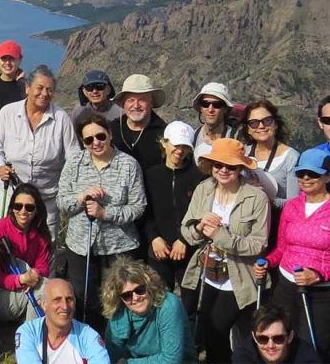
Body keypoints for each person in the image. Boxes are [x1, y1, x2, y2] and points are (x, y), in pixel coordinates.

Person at [180, 138, 270, 363]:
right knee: (209, 331)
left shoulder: (256, 198)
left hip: (239, 277)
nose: (223, 170)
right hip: (208, 274)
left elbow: (259, 244)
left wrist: (222, 236)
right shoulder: (204, 189)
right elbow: (186, 229)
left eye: (230, 166)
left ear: (240, 168)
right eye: (218, 164)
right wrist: (200, 228)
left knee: (217, 329)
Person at [56, 114, 146, 330]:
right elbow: (61, 202)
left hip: (119, 246)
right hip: (80, 245)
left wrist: (105, 213)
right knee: (83, 297)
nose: (95, 142)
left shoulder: (128, 165)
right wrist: (81, 197)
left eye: (100, 136)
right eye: (88, 140)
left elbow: (138, 206)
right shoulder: (74, 163)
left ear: (110, 134)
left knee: (118, 299)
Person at [254, 148, 330, 361]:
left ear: (328, 176)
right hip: (286, 287)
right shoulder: (292, 206)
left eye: (313, 173)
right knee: (282, 344)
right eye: (301, 173)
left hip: (321, 294)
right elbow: (282, 247)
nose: (305, 178)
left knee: (314, 349)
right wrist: (267, 262)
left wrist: (318, 274)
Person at [0, 64, 80, 236]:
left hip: (46, 200)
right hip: (11, 196)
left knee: (45, 247)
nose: (44, 94)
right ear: (28, 87)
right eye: (40, 88)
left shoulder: (61, 119)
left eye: (50, 90)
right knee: (8, 245)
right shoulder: (8, 113)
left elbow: (74, 158)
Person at [143, 121, 206, 289]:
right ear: (164, 143)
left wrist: (184, 240)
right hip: (158, 249)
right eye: (176, 145)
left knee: (189, 302)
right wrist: (154, 238)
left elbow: (200, 213)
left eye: (185, 146)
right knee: (159, 299)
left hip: (189, 249)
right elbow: (145, 211)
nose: (180, 151)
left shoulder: (198, 177)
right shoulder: (151, 175)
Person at [101, 256, 197, 363]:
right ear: (119, 298)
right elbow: (111, 356)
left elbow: (171, 359)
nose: (135, 297)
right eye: (127, 295)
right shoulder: (117, 312)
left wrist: (129, 363)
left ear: (149, 286)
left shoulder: (169, 305)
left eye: (140, 290)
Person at [0, 183, 51, 321]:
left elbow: (43, 267)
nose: (23, 211)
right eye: (18, 206)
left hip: (28, 287)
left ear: (37, 210)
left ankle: (31, 329)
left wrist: (34, 275)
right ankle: (31, 336)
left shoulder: (40, 233)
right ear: (12, 208)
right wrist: (20, 280)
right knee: (45, 291)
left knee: (48, 288)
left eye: (30, 207)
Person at [15, 278, 110, 364]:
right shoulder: (28, 332)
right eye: (57, 300)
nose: (65, 306)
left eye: (69, 299)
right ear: (44, 305)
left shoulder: (89, 336)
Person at [242, 99, 300, 208]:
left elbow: (294, 205)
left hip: (278, 222)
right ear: (248, 129)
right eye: (253, 123)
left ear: (275, 124)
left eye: (267, 120)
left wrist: (267, 199)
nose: (261, 126)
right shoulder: (242, 153)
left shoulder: (291, 157)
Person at [109, 74, 168, 171]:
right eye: (130, 100)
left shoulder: (164, 133)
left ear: (151, 103)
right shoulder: (111, 130)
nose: (136, 105)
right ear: (123, 103)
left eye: (142, 100)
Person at [232, 304, 321, 364]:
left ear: (290, 336)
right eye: (263, 339)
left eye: (278, 339)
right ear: (254, 338)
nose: (270, 346)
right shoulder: (243, 356)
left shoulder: (307, 358)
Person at [191, 82, 239, 163]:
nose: (210, 109)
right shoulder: (192, 138)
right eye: (205, 104)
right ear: (200, 108)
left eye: (217, 105)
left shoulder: (236, 138)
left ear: (225, 109)